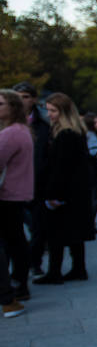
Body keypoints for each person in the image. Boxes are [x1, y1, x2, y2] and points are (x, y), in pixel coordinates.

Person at [33, 93, 92, 284]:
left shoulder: (65, 134)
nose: (49, 114)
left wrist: (53, 194)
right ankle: (77, 268)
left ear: (64, 111)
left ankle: (55, 271)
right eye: (48, 110)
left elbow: (60, 168)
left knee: (56, 233)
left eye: (53, 110)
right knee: (74, 232)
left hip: (64, 193)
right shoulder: (74, 132)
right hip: (74, 192)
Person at [0, 89, 35, 315]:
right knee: (16, 240)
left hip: (8, 193)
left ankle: (14, 288)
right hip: (17, 193)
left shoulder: (12, 133)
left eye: (1, 103)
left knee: (12, 242)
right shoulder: (22, 130)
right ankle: (18, 284)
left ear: (12, 106)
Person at [12, 82, 50, 276]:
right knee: (14, 232)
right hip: (12, 186)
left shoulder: (43, 124)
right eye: (18, 96)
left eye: (26, 96)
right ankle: (19, 269)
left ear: (34, 99)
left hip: (37, 185)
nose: (22, 100)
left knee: (37, 230)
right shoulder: (8, 124)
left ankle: (33, 263)